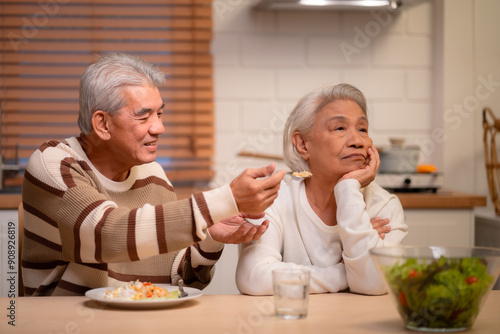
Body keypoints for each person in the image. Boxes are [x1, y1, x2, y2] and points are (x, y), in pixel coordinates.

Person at [21, 52, 285, 296]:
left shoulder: (153, 175)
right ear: (102, 123)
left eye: (159, 114)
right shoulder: (54, 163)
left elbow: (183, 280)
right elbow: (107, 235)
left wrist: (212, 237)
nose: (159, 127)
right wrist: (222, 201)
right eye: (144, 117)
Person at [236, 83, 408, 296]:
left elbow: (373, 284)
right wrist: (346, 272)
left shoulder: (383, 205)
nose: (357, 141)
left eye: (362, 129)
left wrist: (347, 188)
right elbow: (254, 277)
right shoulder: (275, 199)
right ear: (303, 145)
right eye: (340, 128)